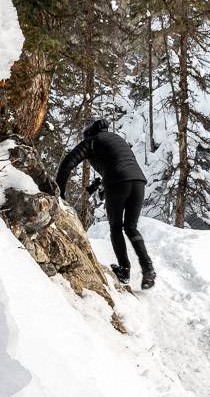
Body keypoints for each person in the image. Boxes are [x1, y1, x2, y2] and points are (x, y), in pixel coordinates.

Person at [55, 119, 156, 289]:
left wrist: (60, 193)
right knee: (131, 227)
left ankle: (124, 270)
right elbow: (118, 162)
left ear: (88, 133)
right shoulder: (117, 139)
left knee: (116, 227)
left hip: (117, 182)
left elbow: (67, 164)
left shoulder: (91, 141)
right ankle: (148, 269)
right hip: (138, 182)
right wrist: (100, 183)